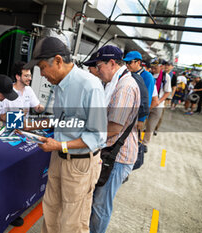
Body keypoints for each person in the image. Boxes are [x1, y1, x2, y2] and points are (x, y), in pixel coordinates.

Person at [24, 37, 107, 233]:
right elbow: (60, 119)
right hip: (58, 157)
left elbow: (97, 136)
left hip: (79, 163)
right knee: (51, 211)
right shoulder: (58, 84)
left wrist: (59, 145)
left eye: (43, 68)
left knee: (72, 222)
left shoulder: (90, 86)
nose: (42, 74)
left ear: (59, 61)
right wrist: (33, 126)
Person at [84, 45, 140, 233]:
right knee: (97, 202)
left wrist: (87, 133)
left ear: (112, 63)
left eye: (99, 67)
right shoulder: (117, 83)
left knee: (101, 206)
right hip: (113, 152)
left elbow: (115, 127)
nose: (98, 72)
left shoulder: (124, 87)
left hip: (117, 156)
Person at [123, 51, 159, 131]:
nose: (127, 65)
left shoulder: (147, 77)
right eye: (126, 62)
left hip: (137, 115)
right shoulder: (128, 73)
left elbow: (147, 99)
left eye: (129, 62)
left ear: (138, 62)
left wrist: (141, 119)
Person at [143, 58, 172, 144]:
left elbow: (167, 92)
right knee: (141, 123)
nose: (153, 69)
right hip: (147, 103)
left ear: (161, 67)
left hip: (158, 105)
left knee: (150, 126)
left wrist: (159, 101)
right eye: (152, 67)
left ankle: (145, 143)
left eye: (155, 68)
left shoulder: (166, 77)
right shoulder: (148, 75)